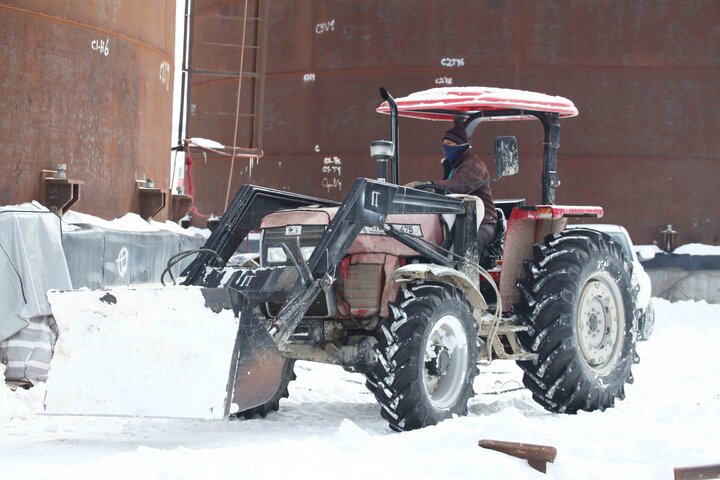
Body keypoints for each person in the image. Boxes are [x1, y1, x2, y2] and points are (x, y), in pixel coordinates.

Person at [406, 121, 498, 252]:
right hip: (458, 220)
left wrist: (431, 186)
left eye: (450, 144)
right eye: (444, 144)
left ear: (461, 145)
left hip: (482, 223)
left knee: (467, 245)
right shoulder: (452, 166)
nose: (446, 147)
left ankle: (467, 271)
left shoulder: (474, 165)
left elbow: (458, 185)